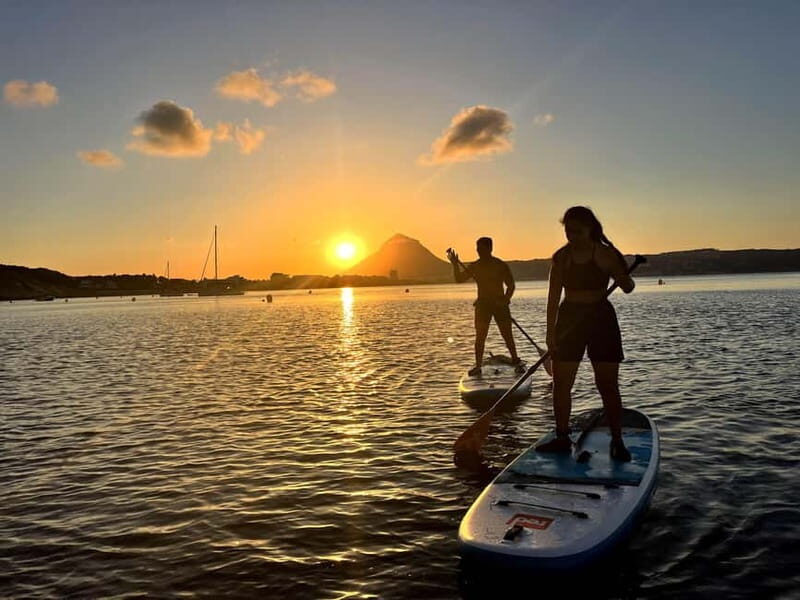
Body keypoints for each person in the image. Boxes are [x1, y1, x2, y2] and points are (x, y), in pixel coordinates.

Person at [535, 207, 635, 461]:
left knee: (607, 384)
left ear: (590, 228)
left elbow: (628, 287)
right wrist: (550, 333)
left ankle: (617, 440)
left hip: (601, 320)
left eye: (577, 231)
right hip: (570, 320)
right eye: (568, 231)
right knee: (561, 384)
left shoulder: (605, 254)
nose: (572, 236)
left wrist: (623, 277)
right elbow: (553, 298)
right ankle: (561, 437)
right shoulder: (561, 258)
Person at [447, 237, 523, 377]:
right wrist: (454, 264)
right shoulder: (475, 266)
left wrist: (505, 299)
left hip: (500, 305)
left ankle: (516, 361)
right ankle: (478, 366)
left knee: (507, 335)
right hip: (483, 305)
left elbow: (511, 285)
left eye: (481, 248)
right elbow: (459, 279)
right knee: (480, 337)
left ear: (489, 249)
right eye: (477, 248)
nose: (478, 251)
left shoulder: (500, 265)